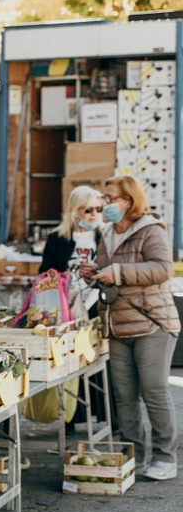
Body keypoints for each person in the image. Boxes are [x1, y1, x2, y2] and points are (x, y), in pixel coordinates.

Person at [81, 175, 178, 481]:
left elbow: (163, 269)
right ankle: (130, 454)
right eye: (104, 199)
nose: (105, 205)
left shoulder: (150, 230)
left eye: (111, 199)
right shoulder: (107, 233)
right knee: (123, 394)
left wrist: (118, 272)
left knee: (154, 390)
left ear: (129, 200)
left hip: (151, 322)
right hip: (117, 323)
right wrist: (92, 273)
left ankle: (165, 457)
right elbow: (104, 273)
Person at [38, 185, 106, 433]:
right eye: (88, 209)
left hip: (96, 307)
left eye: (98, 209)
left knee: (97, 364)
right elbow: (45, 273)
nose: (93, 215)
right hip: (65, 311)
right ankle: (69, 418)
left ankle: (102, 416)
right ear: (75, 211)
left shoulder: (105, 237)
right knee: (68, 364)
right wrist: (59, 279)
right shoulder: (59, 238)